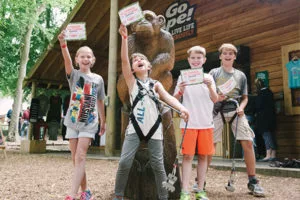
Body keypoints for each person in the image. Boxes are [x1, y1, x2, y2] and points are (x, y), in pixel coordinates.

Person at [114, 24, 189, 200]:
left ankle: (163, 197)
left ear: (149, 66)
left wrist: (182, 108)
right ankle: (118, 194)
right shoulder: (132, 83)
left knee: (158, 165)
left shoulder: (156, 84)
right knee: (125, 162)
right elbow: (124, 60)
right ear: (132, 69)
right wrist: (125, 39)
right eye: (135, 60)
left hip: (155, 130)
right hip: (134, 129)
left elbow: (168, 99)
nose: (138, 59)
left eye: (142, 59)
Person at [208, 43, 265, 197]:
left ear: (234, 56)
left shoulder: (241, 75)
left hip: (236, 110)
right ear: (220, 56)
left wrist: (242, 107)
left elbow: (245, 97)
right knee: (210, 145)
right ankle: (200, 180)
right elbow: (208, 93)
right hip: (217, 110)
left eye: (231, 53)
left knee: (247, 141)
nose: (227, 55)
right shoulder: (213, 73)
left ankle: (253, 180)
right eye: (225, 53)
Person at [58, 29, 106, 200]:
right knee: (75, 158)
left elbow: (100, 101)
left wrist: (103, 120)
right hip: (72, 121)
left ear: (93, 60)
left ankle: (72, 194)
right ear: (77, 59)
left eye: (88, 56)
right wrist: (63, 44)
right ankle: (85, 191)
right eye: (82, 56)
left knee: (81, 155)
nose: (85, 58)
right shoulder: (74, 75)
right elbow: (66, 60)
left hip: (89, 122)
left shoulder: (98, 79)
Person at [173, 46, 218, 200]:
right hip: (188, 123)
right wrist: (180, 91)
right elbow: (175, 99)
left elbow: (215, 99)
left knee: (204, 157)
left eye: (199, 58)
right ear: (188, 60)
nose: (196, 60)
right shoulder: (182, 77)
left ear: (204, 60)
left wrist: (210, 87)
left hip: (206, 122)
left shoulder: (209, 77)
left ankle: (200, 190)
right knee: (187, 157)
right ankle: (184, 191)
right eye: (193, 58)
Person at [255, 78, 277, 162]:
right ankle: (272, 154)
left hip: (263, 118)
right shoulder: (270, 92)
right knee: (271, 135)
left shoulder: (261, 94)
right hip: (271, 117)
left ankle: (269, 154)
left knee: (267, 136)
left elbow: (258, 106)